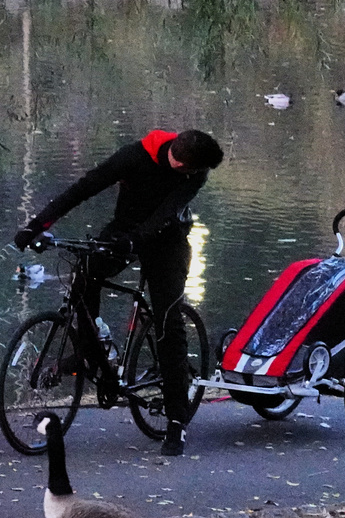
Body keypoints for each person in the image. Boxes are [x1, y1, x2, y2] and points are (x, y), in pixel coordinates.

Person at [13, 128, 225, 457]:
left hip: (167, 242)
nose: (199, 175)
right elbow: (84, 188)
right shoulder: (134, 156)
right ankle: (89, 352)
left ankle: (176, 423)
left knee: (168, 323)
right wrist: (37, 225)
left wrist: (134, 240)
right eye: (195, 169)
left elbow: (165, 214)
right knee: (84, 276)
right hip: (124, 229)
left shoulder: (194, 174)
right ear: (183, 162)